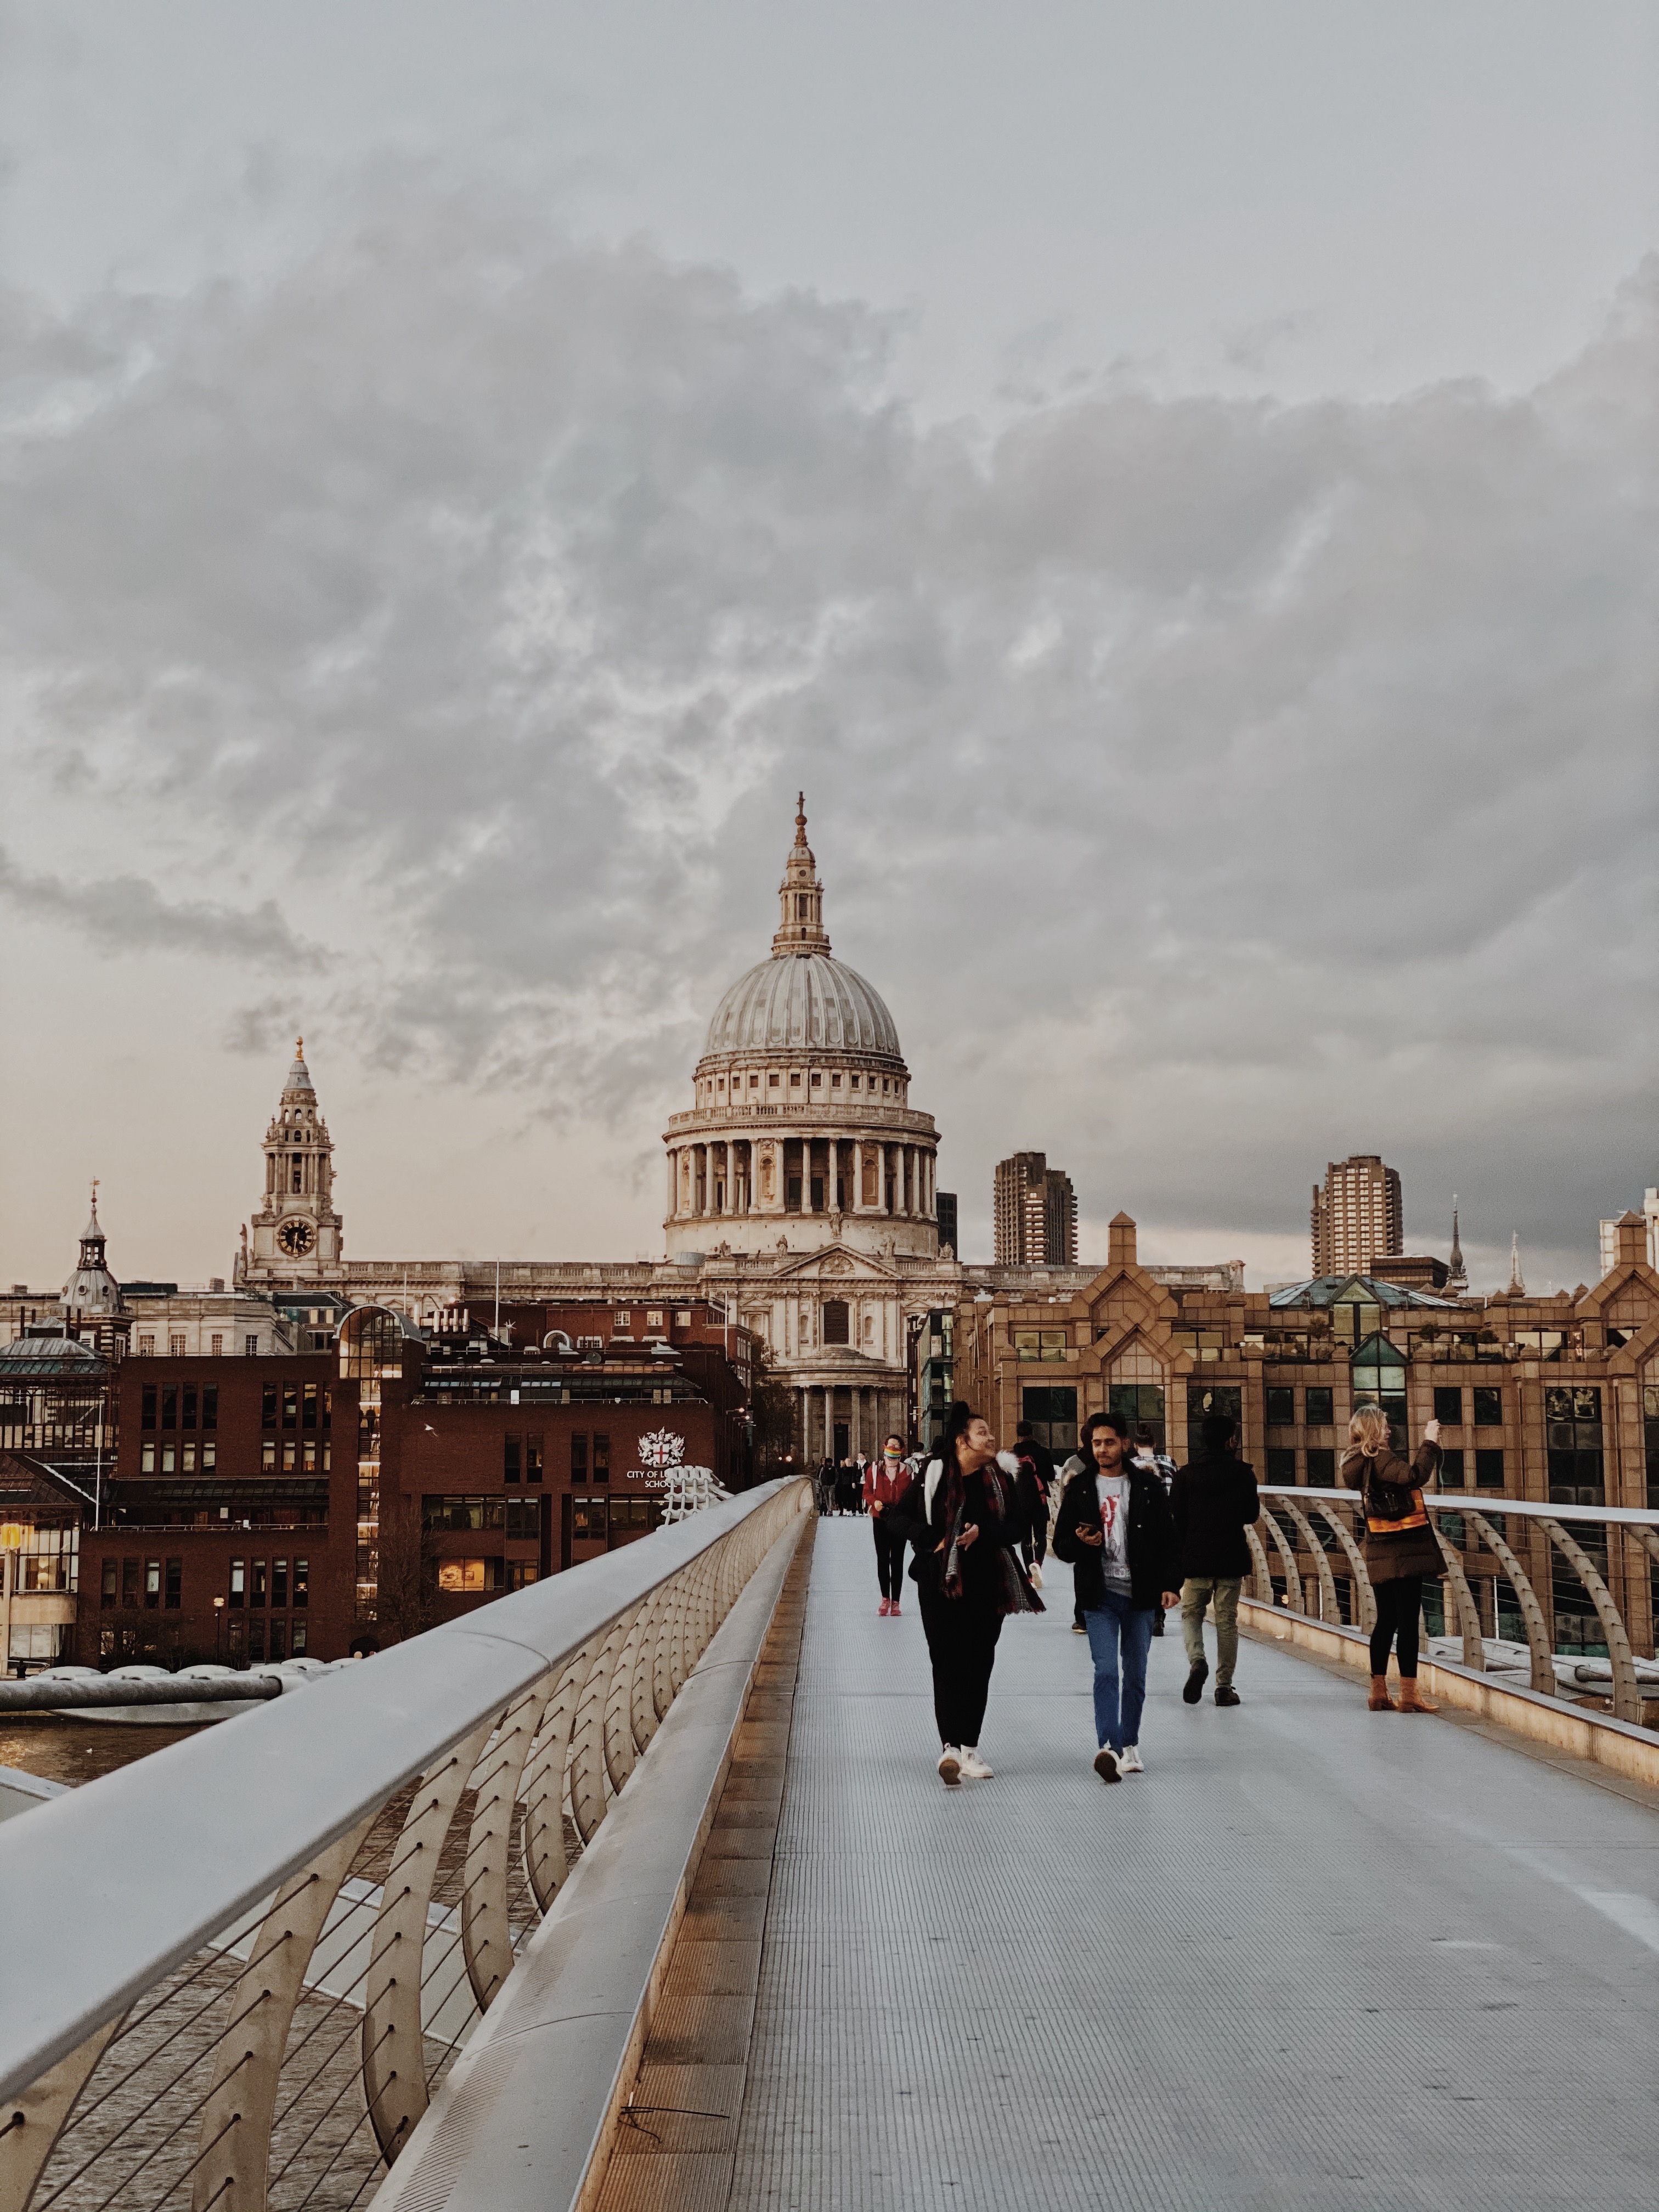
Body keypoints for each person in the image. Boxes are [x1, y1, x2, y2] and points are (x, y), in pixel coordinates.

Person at [887, 1400, 1042, 1785]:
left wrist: (982, 1533)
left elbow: (1019, 1528)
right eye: (982, 1432)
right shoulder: (934, 1474)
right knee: (946, 1661)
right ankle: (950, 1747)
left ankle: (970, 1747)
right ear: (962, 1440)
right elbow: (897, 1517)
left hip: (989, 1583)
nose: (990, 1438)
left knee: (979, 1664)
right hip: (940, 1583)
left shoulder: (1004, 1478)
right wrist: (932, 1539)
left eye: (989, 1432)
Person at [1052, 1409, 1181, 1783]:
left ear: (1124, 1443)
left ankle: (1130, 1743)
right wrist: (1077, 1541)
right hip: (1099, 1594)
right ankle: (1109, 1745)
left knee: (1136, 1674)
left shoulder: (1148, 1487)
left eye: (1109, 1442)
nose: (1103, 1450)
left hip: (1140, 1595)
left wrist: (1171, 1585)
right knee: (1107, 1670)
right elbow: (1061, 1545)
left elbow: (1170, 1542)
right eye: (1096, 1444)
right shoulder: (1078, 1488)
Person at [1342, 1404, 1443, 1712]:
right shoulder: (1382, 1458)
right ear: (1374, 1429)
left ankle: (1378, 1692)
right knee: (1408, 1622)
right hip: (1404, 1548)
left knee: (1386, 1619)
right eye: (1385, 1426)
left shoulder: (1356, 1463)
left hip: (1378, 1546)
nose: (1389, 1430)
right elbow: (1415, 1477)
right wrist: (1430, 1442)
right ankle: (1409, 1695)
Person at [1170, 1411, 1259, 1707]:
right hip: (1231, 1557)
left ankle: (1197, 1661)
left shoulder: (1185, 1475)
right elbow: (1251, 1515)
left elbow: (1177, 1520)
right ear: (1231, 1440)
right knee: (1226, 1622)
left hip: (1196, 1558)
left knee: (1191, 1615)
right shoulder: (1243, 1473)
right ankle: (1224, 1687)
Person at [864, 1433, 914, 1616]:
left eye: (896, 1446)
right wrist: (874, 1502)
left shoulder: (908, 1471)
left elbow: (911, 1496)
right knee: (883, 1560)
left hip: (899, 1520)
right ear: (884, 1447)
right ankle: (885, 1599)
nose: (892, 1449)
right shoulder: (874, 1469)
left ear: (901, 1449)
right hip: (881, 1518)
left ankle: (896, 1602)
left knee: (898, 1561)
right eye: (890, 1445)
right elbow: (867, 1491)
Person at [1012, 1422, 1055, 1589]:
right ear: (1032, 1433)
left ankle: (1029, 1576)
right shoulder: (1043, 1452)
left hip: (1021, 1502)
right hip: (1039, 1499)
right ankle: (1037, 1564)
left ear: (1018, 1434)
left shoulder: (1012, 1455)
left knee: (1026, 1539)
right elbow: (1051, 1476)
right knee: (1041, 1535)